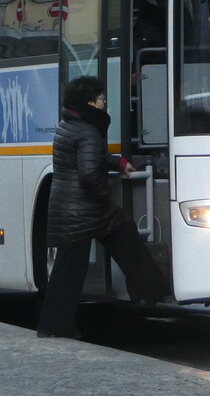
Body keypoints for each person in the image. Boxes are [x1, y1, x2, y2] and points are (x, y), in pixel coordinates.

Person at [37, 76, 168, 338]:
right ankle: (153, 290)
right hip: (86, 208)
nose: (105, 103)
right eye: (101, 99)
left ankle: (54, 326)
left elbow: (91, 156)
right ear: (89, 102)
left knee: (67, 270)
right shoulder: (88, 129)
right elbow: (88, 171)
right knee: (126, 237)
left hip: (68, 207)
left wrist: (118, 164)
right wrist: (104, 191)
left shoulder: (70, 124)